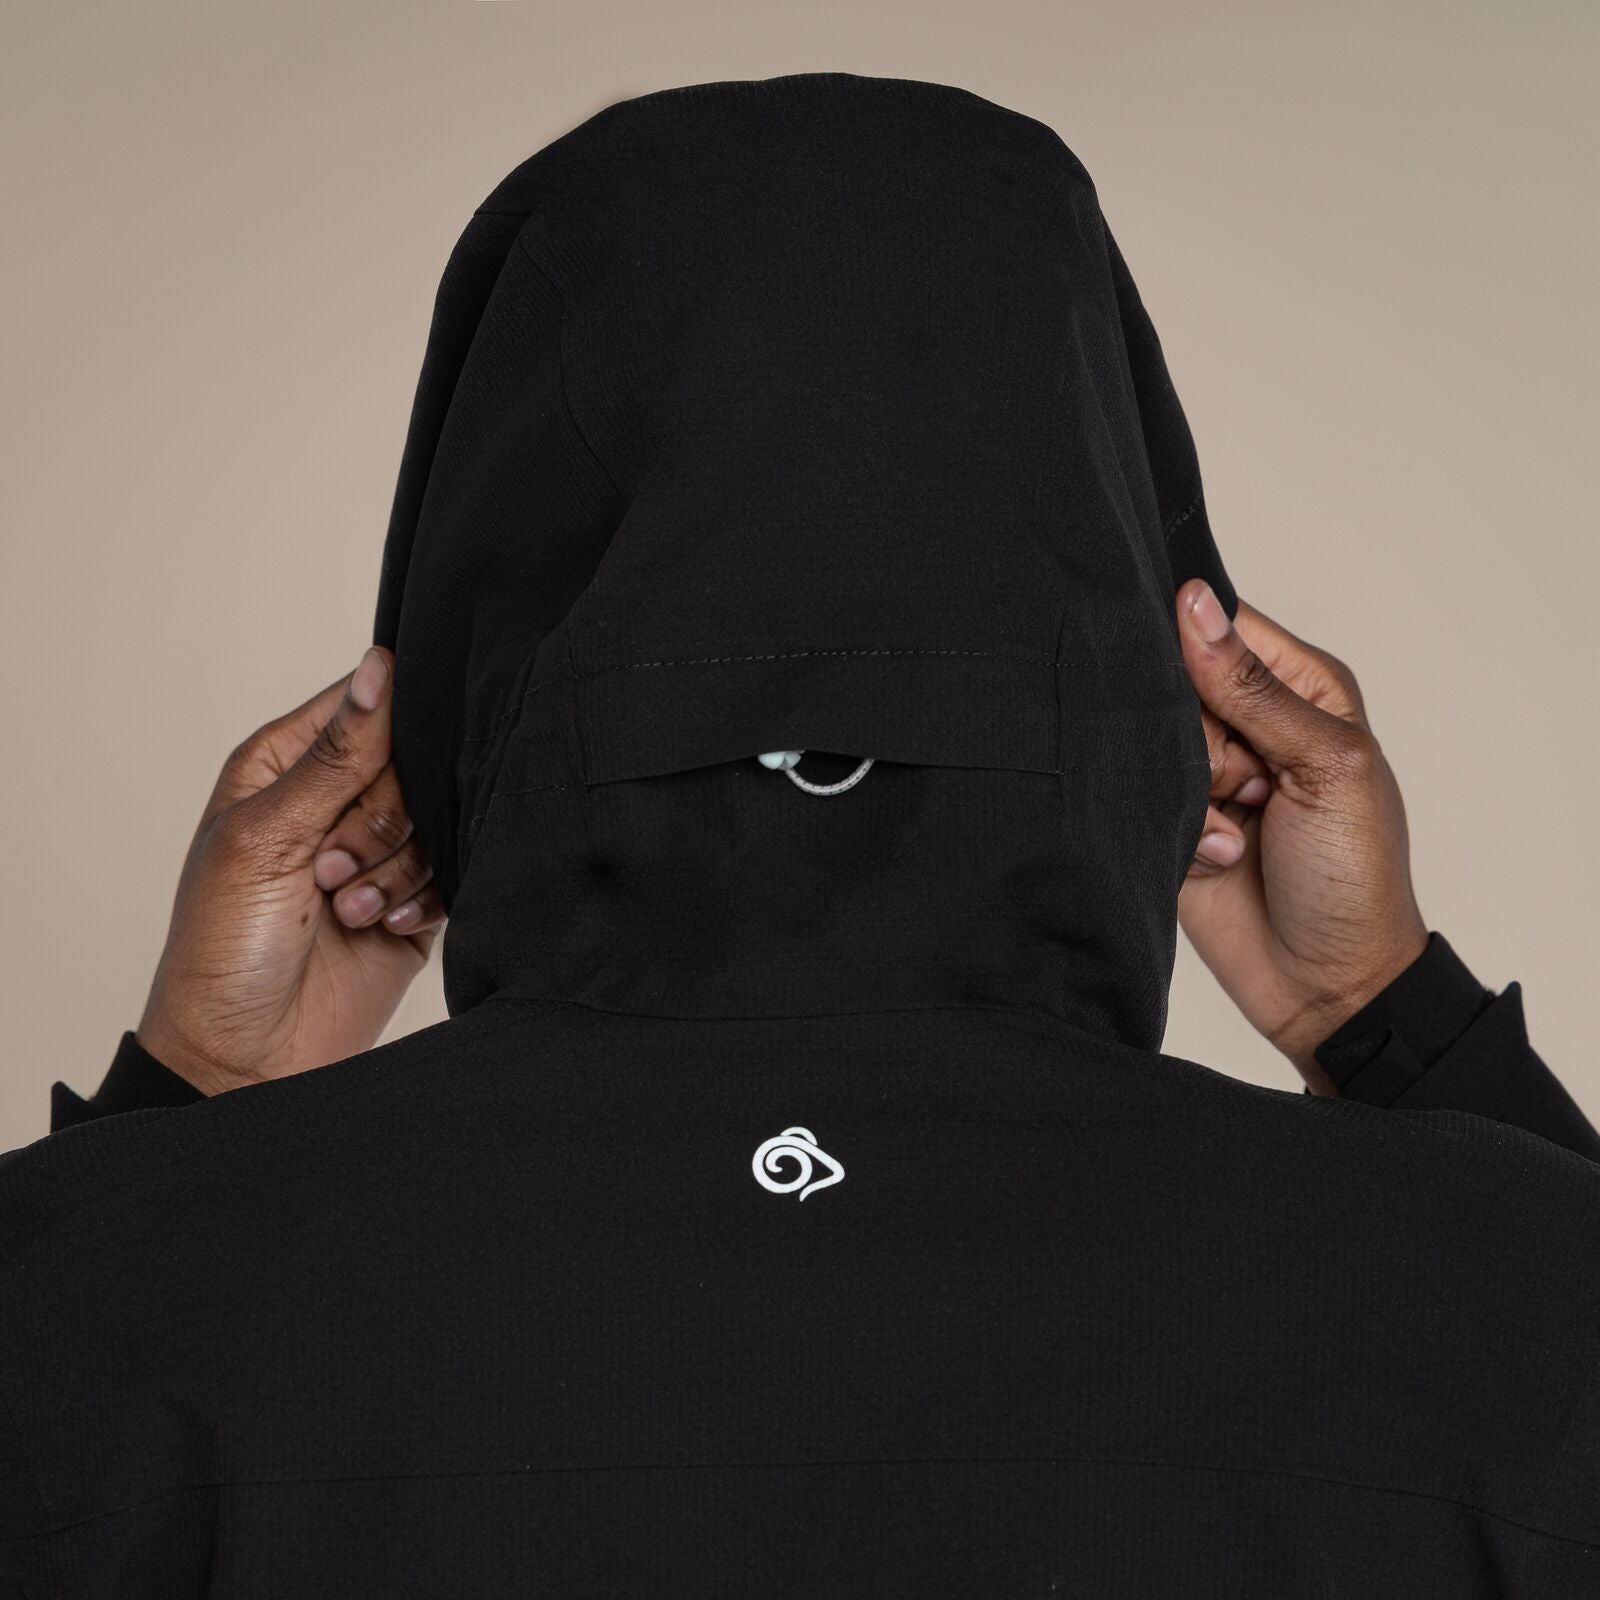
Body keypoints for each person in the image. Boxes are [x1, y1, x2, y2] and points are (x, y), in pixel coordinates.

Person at [4, 71, 1597, 1596]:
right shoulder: (1507, 1307)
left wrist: (176, 1125)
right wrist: (1384, 1016)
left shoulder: (95, 1311)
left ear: (467, 595)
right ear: (1153, 635)